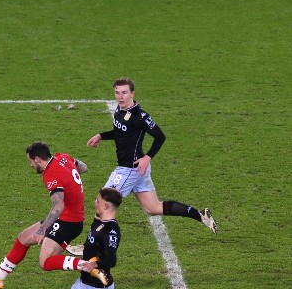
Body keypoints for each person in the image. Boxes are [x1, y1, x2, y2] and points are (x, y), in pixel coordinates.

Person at [85, 76, 217, 235]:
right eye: (117, 93)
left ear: (132, 93)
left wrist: (147, 158)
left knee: (102, 202)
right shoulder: (120, 110)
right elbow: (121, 133)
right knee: (153, 208)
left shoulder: (140, 116)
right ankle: (200, 215)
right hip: (138, 170)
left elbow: (160, 136)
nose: (120, 97)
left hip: (129, 169)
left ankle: (90, 244)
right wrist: (101, 136)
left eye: (124, 93)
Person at [0, 141, 88, 289]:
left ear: (38, 159)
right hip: (66, 218)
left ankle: (87, 264)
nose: (31, 165)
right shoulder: (62, 157)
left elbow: (58, 206)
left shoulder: (50, 174)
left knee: (45, 262)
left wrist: (42, 229)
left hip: (68, 222)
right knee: (23, 238)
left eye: (31, 161)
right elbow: (83, 167)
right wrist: (69, 178)